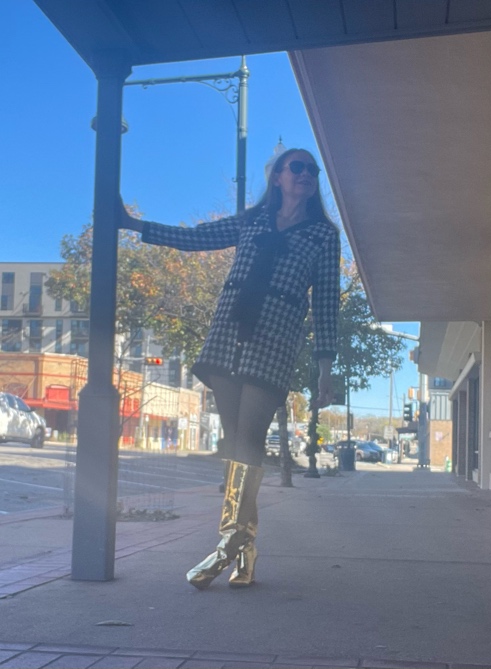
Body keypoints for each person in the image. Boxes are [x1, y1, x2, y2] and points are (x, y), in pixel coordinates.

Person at [118, 148, 340, 589]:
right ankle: (246, 552)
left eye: (313, 170)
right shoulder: (252, 222)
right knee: (234, 442)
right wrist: (135, 225)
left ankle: (227, 545)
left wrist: (325, 367)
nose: (307, 174)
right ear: (276, 176)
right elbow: (197, 238)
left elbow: (327, 304)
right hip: (227, 338)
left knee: (250, 440)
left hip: (274, 342)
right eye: (298, 167)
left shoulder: (322, 235)